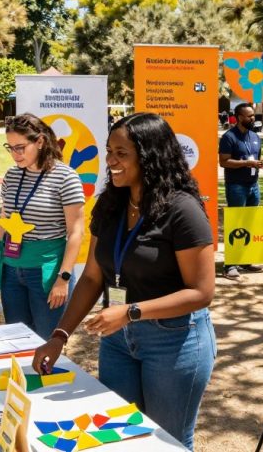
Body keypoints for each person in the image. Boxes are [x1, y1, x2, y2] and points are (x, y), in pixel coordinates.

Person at [33, 113, 215, 450]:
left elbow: (201, 293)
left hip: (174, 341)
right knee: (120, 437)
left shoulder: (182, 210)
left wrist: (131, 312)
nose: (111, 162)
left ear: (149, 156)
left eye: (122, 154)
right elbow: (92, 277)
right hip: (118, 341)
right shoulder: (110, 202)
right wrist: (59, 336)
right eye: (109, 152)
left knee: (167, 442)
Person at [0, 113, 85, 340]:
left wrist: (63, 279)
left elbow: (76, 232)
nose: (15, 155)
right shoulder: (12, 176)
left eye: (21, 147)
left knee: (47, 342)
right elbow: (5, 225)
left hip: (47, 271)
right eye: (10, 148)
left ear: (40, 142)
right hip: (12, 271)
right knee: (18, 340)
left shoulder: (65, 177)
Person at [218, 102, 263, 279]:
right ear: (239, 117)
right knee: (236, 223)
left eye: (253, 115)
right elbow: (224, 162)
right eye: (249, 116)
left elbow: (256, 158)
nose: (253, 118)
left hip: (254, 185)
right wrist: (247, 163)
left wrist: (262, 163)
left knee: (250, 223)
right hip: (236, 186)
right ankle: (230, 265)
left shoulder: (255, 136)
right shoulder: (229, 137)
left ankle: (246, 260)